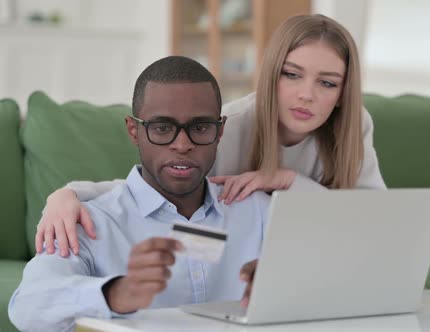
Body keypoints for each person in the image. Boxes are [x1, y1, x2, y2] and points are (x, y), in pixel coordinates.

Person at [36, 14, 387, 257]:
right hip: (228, 257)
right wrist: (69, 193)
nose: (307, 94)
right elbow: (156, 190)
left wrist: (288, 181)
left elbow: (376, 220)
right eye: (292, 75)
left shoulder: (355, 125)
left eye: (326, 83)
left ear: (343, 93)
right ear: (270, 76)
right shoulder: (226, 128)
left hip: (315, 253)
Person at [9, 56, 266, 332]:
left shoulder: (260, 211)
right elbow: (28, 307)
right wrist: (118, 293)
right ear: (134, 131)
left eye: (200, 127)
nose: (182, 145)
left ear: (220, 131)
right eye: (162, 128)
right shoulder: (87, 221)